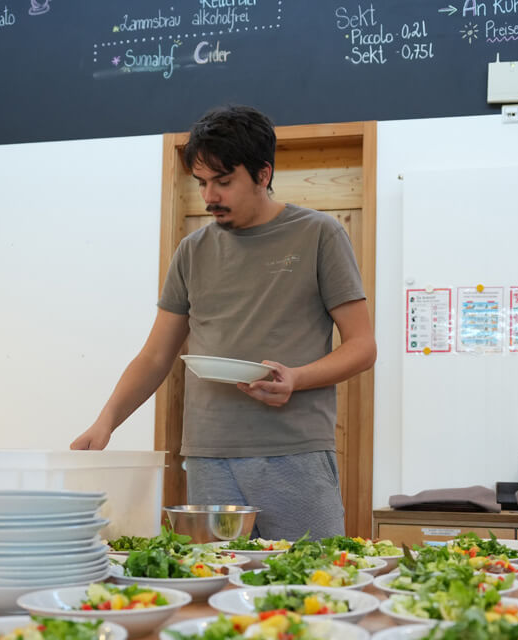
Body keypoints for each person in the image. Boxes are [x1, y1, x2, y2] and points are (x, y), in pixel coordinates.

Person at [71, 104, 376, 540]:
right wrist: (106, 422)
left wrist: (297, 378)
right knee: (216, 590)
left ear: (263, 174)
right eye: (202, 183)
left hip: (296, 454)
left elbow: (363, 346)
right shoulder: (192, 251)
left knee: (311, 587)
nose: (210, 196)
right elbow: (156, 355)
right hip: (209, 455)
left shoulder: (320, 235)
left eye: (224, 181)